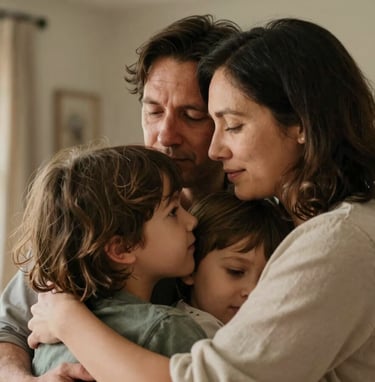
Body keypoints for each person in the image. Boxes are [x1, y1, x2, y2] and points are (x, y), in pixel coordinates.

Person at [27, 17, 375, 382]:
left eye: (233, 125)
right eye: (154, 111)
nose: (216, 148)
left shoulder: (336, 239)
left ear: (301, 124)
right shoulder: (93, 215)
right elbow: (13, 327)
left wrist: (68, 319)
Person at [0, 14, 241, 382]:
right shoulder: (96, 206)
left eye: (191, 115)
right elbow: (8, 327)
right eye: (154, 110)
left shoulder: (257, 225)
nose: (165, 134)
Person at [12, 143, 206, 376]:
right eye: (173, 211)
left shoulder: (47, 335)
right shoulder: (169, 330)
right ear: (121, 248)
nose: (191, 221)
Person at [176, 191, 293, 337]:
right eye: (236, 271)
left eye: (267, 277)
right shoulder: (184, 333)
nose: (253, 291)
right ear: (190, 267)